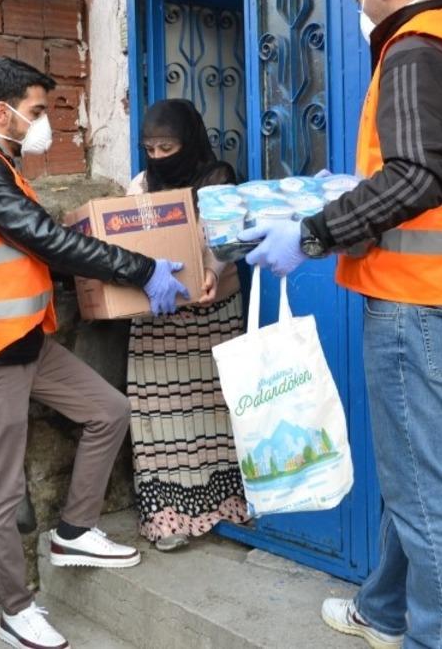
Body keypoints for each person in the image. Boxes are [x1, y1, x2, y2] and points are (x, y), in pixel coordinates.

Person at [240, 0, 442, 649]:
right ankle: (384, 612)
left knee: (425, 498)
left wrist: (311, 233)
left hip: (417, 303)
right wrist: (353, 189)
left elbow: (419, 176)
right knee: (415, 475)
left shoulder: (415, 46)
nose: (359, 5)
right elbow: (436, 167)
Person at [0, 56, 189, 649]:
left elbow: (32, 246)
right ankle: (17, 612)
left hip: (21, 341)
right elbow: (42, 238)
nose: (45, 123)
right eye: (38, 111)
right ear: (3, 112)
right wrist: (140, 269)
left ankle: (74, 530)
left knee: (108, 411)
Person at [124, 99, 250, 552]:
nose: (158, 157)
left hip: (211, 314)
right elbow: (128, 239)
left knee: (214, 411)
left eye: (167, 146)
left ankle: (226, 507)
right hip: (158, 319)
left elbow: (229, 239)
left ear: (189, 141)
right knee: (160, 416)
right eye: (150, 148)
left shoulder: (218, 179)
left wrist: (212, 270)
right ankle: (167, 519)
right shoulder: (139, 184)